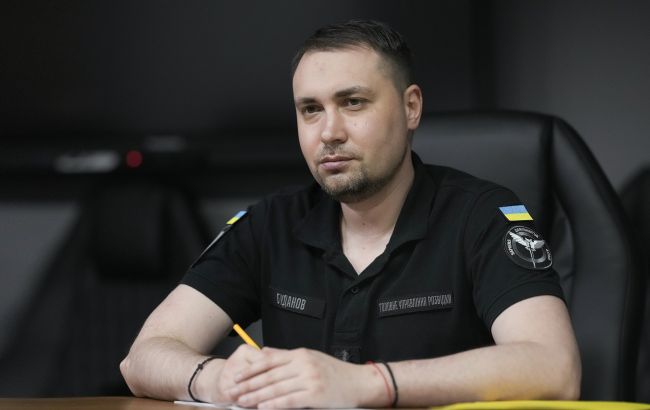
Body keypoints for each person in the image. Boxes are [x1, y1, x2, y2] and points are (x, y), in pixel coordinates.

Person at [120, 19, 581, 407]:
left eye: (353, 102)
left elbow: (555, 368)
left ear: (411, 107)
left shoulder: (481, 216)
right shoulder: (271, 223)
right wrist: (219, 380)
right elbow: (142, 357)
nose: (329, 132)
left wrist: (367, 383)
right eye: (310, 110)